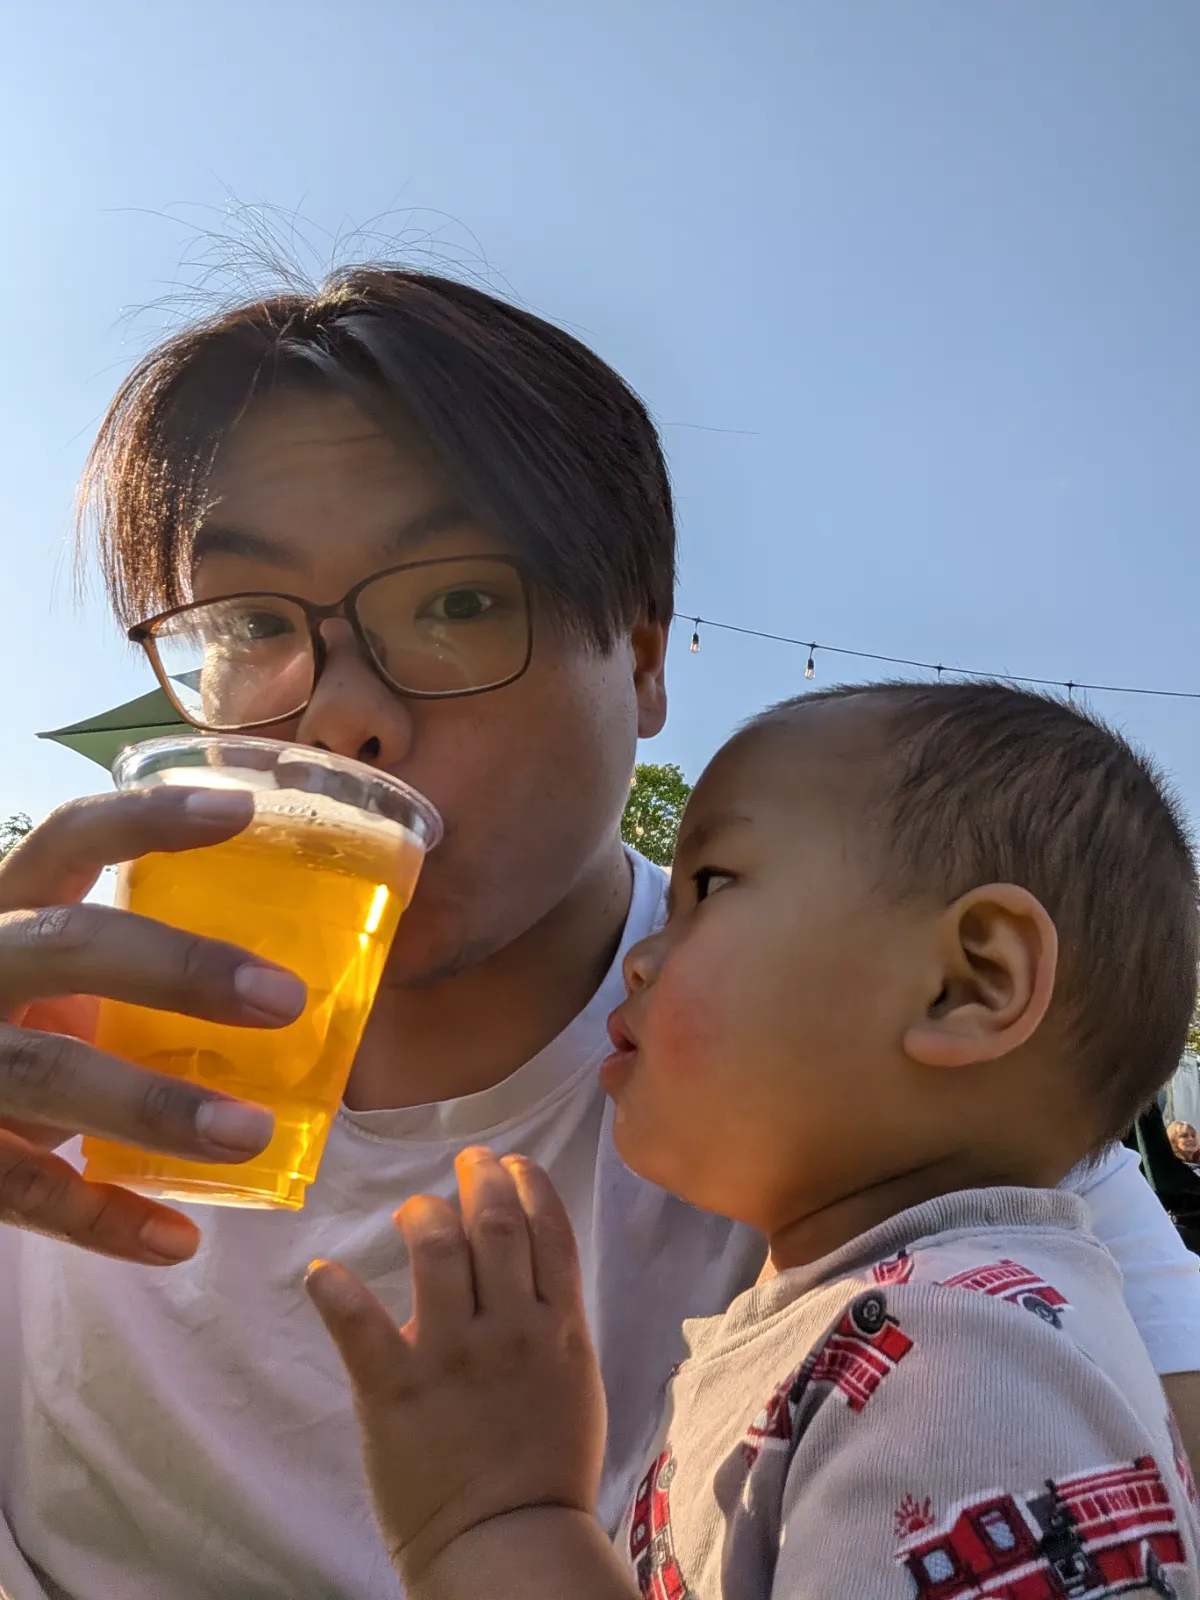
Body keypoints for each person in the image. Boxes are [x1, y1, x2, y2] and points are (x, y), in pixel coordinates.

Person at [0, 271, 1197, 1598]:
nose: (338, 717)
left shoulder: (897, 1100)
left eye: (458, 602)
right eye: (246, 625)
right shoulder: (43, 1037)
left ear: (640, 659)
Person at [310, 683, 1200, 1599]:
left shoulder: (968, 1372)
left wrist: (500, 1523)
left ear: (969, 983)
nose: (641, 958)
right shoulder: (892, 1326)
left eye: (711, 886)